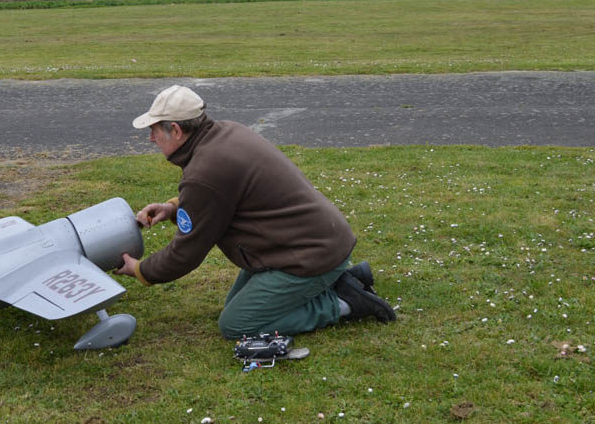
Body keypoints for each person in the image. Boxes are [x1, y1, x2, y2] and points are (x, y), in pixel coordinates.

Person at [115, 85, 395, 339]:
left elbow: (186, 253)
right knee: (235, 306)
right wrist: (174, 208)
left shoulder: (205, 169)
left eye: (155, 130)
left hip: (310, 255)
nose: (151, 138)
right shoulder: (226, 132)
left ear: (176, 130)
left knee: (238, 324)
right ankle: (347, 280)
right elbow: (219, 197)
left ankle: (344, 303)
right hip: (315, 243)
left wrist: (141, 270)